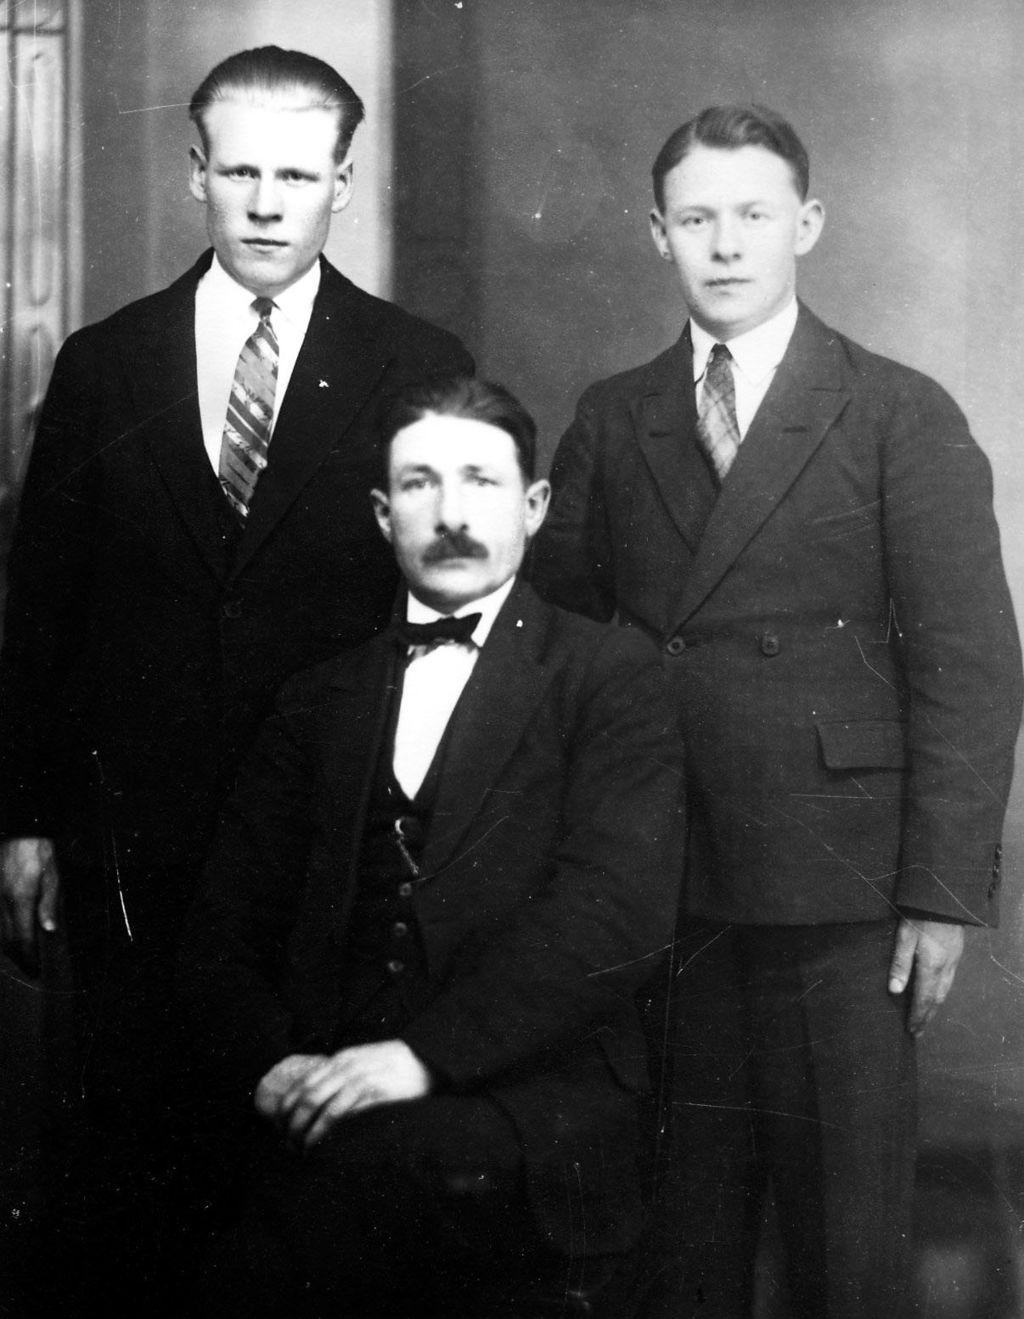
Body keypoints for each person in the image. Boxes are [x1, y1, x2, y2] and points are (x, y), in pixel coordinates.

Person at [530, 104, 1023, 1318]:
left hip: (841, 891)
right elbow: (560, 648)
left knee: (845, 1250)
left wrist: (938, 891)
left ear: (806, 224)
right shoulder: (613, 415)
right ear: (657, 234)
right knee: (681, 1244)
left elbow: (968, 661)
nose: (726, 243)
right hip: (667, 880)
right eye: (696, 218)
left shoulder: (894, 409)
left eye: (753, 214)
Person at [0, 45, 471, 1311]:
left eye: (299, 177)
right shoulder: (108, 361)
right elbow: (43, 604)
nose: (267, 204)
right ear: (194, 173)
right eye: (241, 172)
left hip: (329, 833)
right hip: (134, 838)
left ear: (343, 184)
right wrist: (26, 817)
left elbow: (441, 595)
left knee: (303, 1181)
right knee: (127, 1173)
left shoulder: (412, 362)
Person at [177, 375, 686, 1317]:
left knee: (353, 1200)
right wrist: (273, 1064)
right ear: (383, 514)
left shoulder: (609, 676)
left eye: (481, 481)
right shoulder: (317, 696)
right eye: (420, 484)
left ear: (535, 505)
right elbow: (223, 927)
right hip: (332, 1091)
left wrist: (423, 1057)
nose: (451, 514)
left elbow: (613, 914)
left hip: (530, 1105)